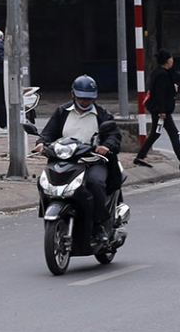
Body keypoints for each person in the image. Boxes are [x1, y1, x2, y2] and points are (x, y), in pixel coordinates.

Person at [33, 76, 120, 249]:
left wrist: (106, 146)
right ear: (73, 94)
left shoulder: (102, 114)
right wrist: (41, 143)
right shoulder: (62, 112)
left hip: (93, 161)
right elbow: (48, 133)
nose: (85, 102)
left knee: (94, 183)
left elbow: (114, 135)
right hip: (65, 160)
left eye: (89, 98)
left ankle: (100, 225)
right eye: (81, 98)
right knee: (44, 182)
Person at [134, 51, 180, 170]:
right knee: (173, 134)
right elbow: (160, 93)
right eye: (171, 58)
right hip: (161, 111)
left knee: (155, 133)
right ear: (168, 60)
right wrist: (162, 111)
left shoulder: (160, 72)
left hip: (160, 110)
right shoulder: (162, 74)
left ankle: (140, 156)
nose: (173, 61)